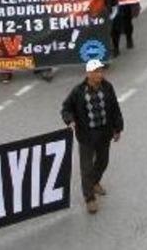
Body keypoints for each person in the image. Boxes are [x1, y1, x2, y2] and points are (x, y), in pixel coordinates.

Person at [61, 59, 124, 214]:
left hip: (104, 132)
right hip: (86, 135)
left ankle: (94, 182)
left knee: (103, 162)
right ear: (88, 74)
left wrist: (118, 128)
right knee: (86, 167)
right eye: (96, 71)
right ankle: (89, 198)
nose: (100, 74)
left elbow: (115, 108)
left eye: (101, 71)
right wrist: (70, 121)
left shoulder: (107, 87)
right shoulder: (78, 92)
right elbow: (66, 108)